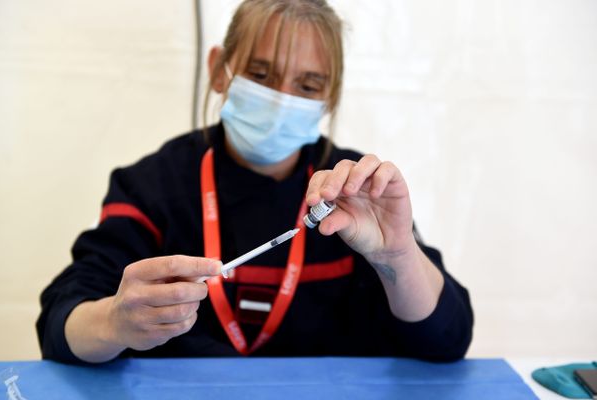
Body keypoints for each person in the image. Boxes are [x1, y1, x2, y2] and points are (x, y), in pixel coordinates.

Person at [37, 0, 473, 364]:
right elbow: (60, 324)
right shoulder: (152, 185)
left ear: (331, 96)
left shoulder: (358, 193)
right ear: (220, 70)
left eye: (308, 84)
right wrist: (114, 323)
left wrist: (396, 253)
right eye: (261, 76)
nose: (282, 100)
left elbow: (447, 340)